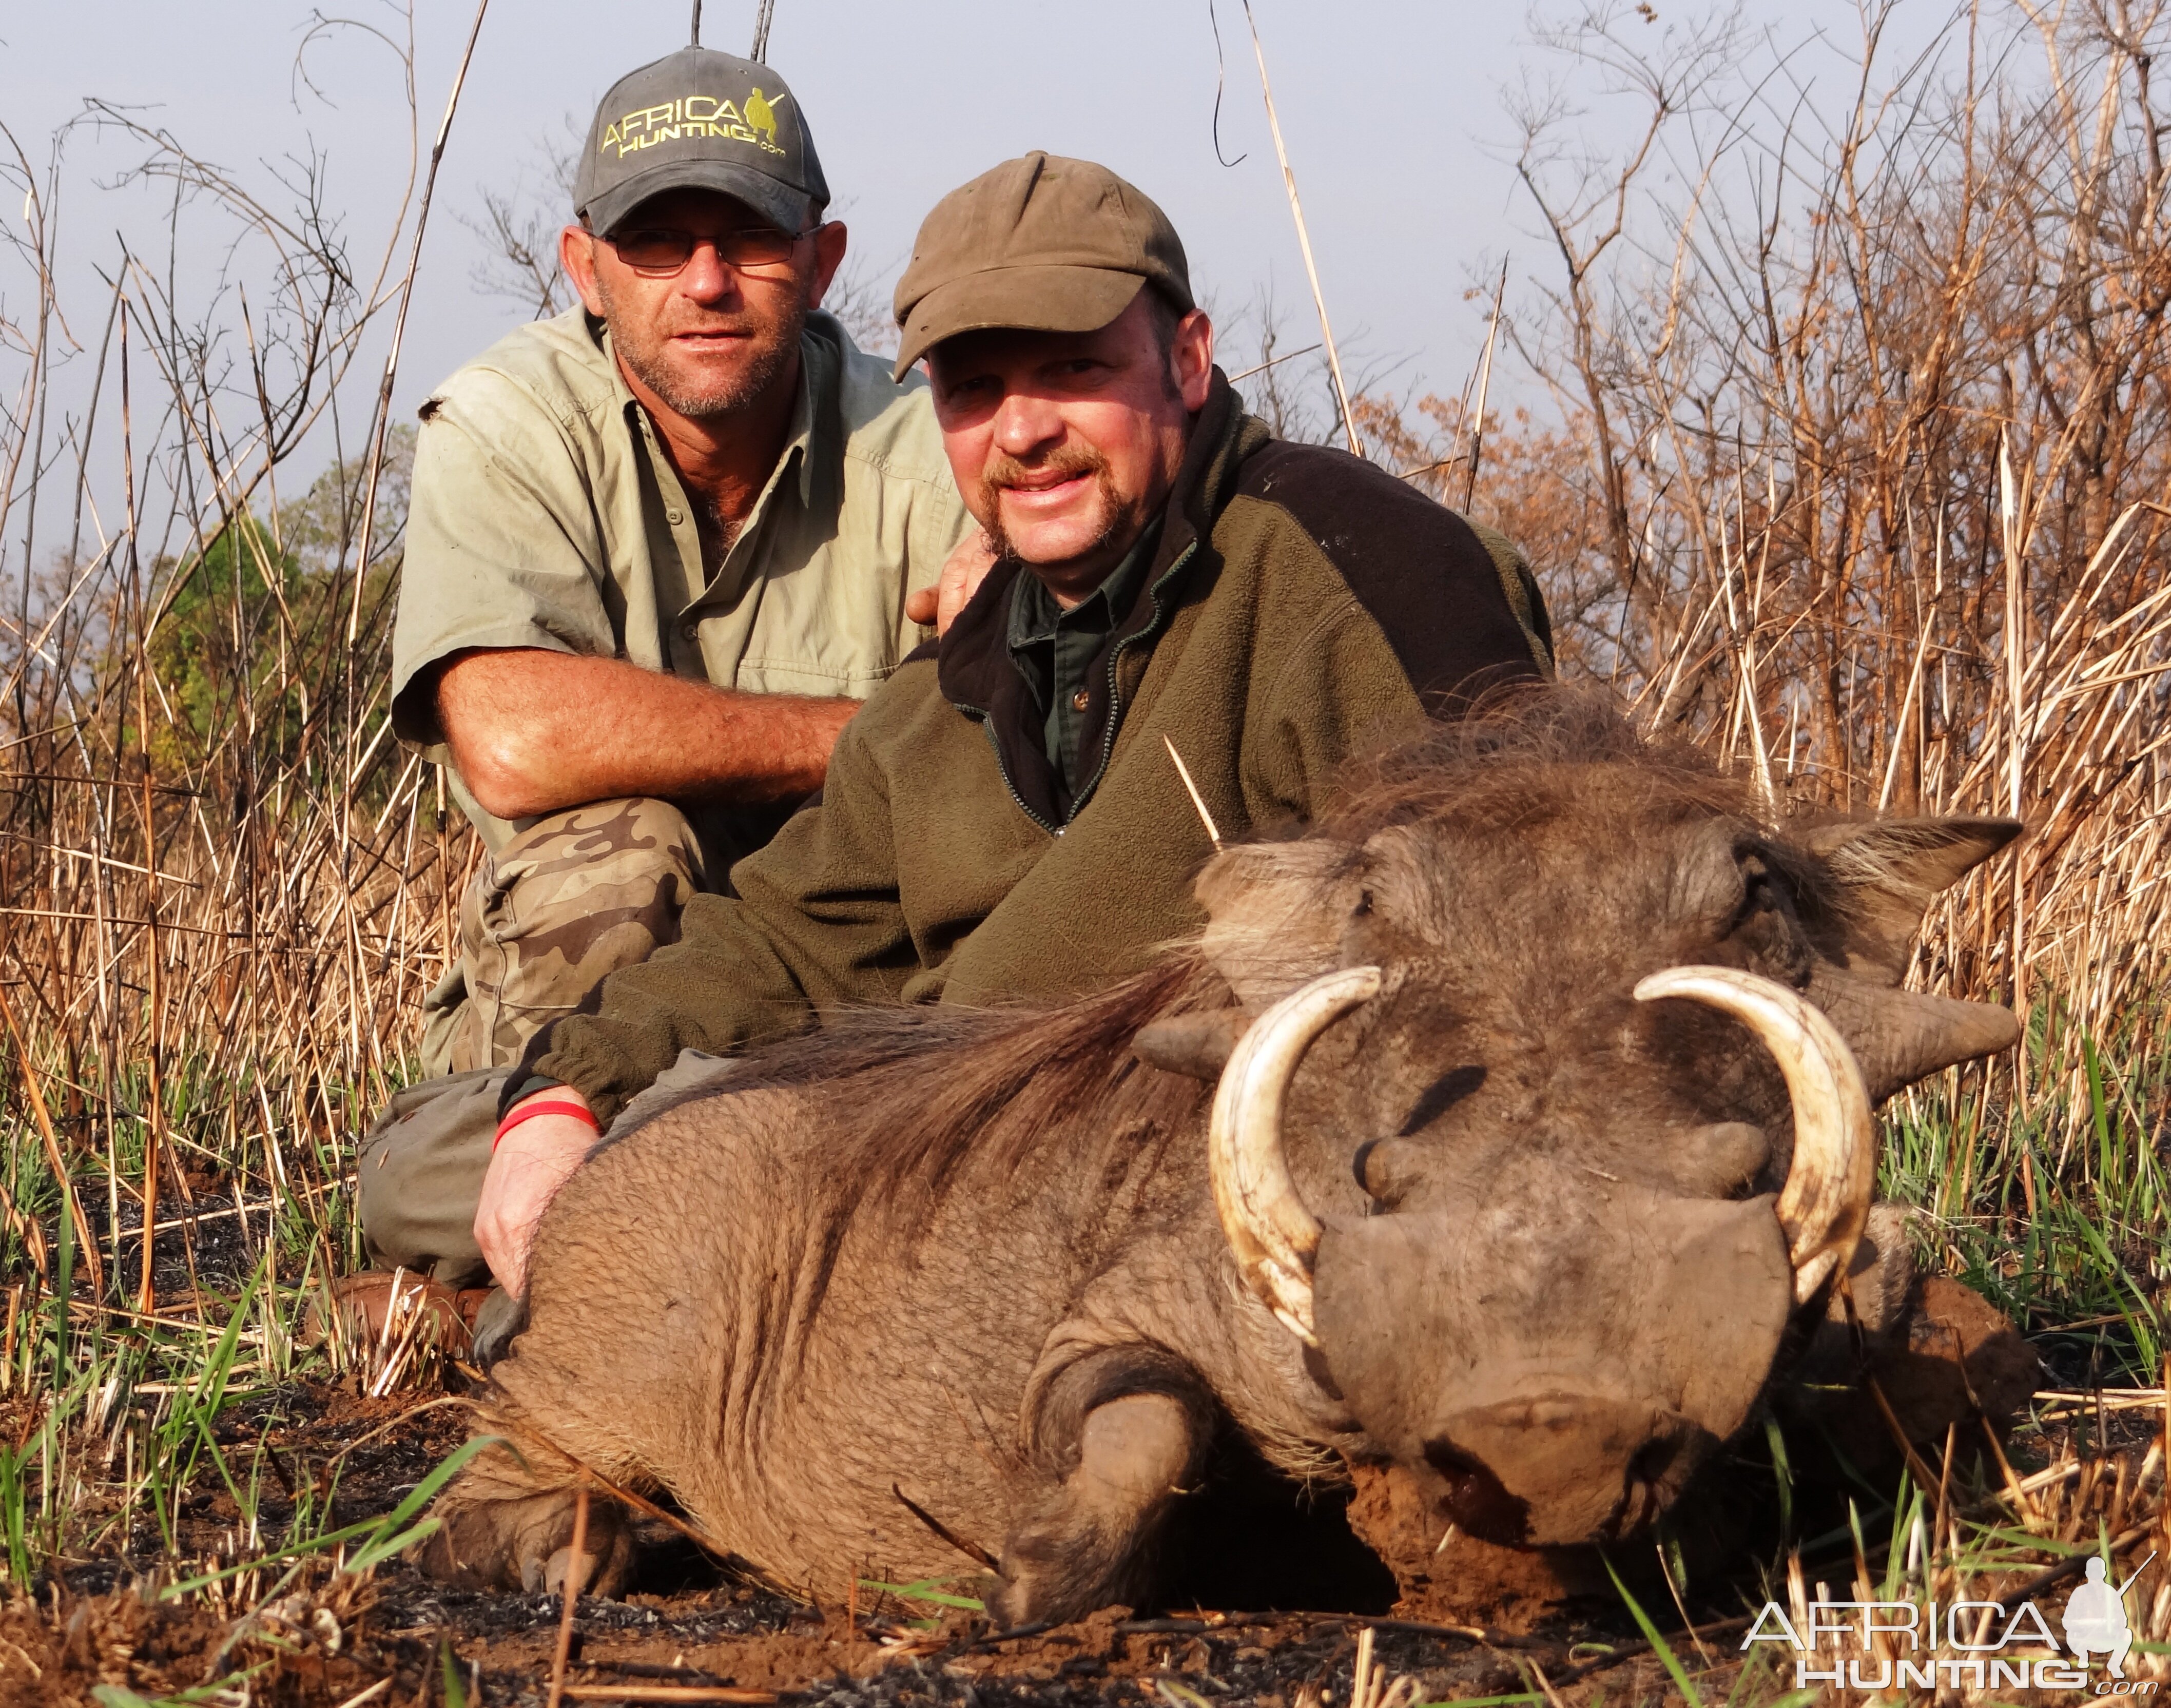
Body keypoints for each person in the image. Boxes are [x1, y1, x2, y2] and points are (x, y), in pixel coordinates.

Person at [360, 151, 1553, 1322]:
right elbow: (786, 935)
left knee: (726, 1213)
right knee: (431, 1170)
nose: (1021, 431)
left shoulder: (1354, 568)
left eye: (1074, 369)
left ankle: (611, 1307)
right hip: (928, 1110)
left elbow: (1515, 951)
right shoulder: (966, 661)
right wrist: (569, 1090)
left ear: (1188, 362)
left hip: (1144, 1157)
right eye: (975, 389)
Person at [390, 44, 974, 1080]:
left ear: (823, 259)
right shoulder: (506, 423)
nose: (706, 282)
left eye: (749, 238)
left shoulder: (942, 452)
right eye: (657, 242)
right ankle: (527, 1169)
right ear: (587, 269)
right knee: (623, 855)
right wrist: (878, 738)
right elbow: (510, 738)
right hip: (591, 999)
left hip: (846, 982)